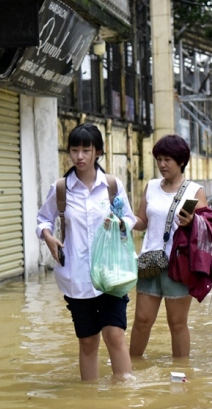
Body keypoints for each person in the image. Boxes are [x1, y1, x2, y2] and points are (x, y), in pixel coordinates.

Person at [36, 123, 136, 381]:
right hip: (76, 277)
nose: (79, 156)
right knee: (88, 342)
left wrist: (118, 223)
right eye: (74, 150)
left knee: (115, 335)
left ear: (98, 152)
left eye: (86, 150)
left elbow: (130, 219)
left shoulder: (112, 186)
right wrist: (48, 237)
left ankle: (125, 396)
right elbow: (43, 220)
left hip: (111, 276)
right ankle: (89, 397)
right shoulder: (60, 189)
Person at [129, 135, 207, 358]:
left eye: (167, 160)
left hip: (179, 265)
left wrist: (193, 222)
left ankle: (182, 373)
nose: (162, 164)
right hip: (149, 260)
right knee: (142, 321)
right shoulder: (152, 187)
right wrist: (122, 220)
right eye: (159, 159)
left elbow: (207, 229)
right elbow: (142, 221)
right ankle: (131, 366)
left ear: (181, 161)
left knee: (177, 323)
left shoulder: (194, 191)